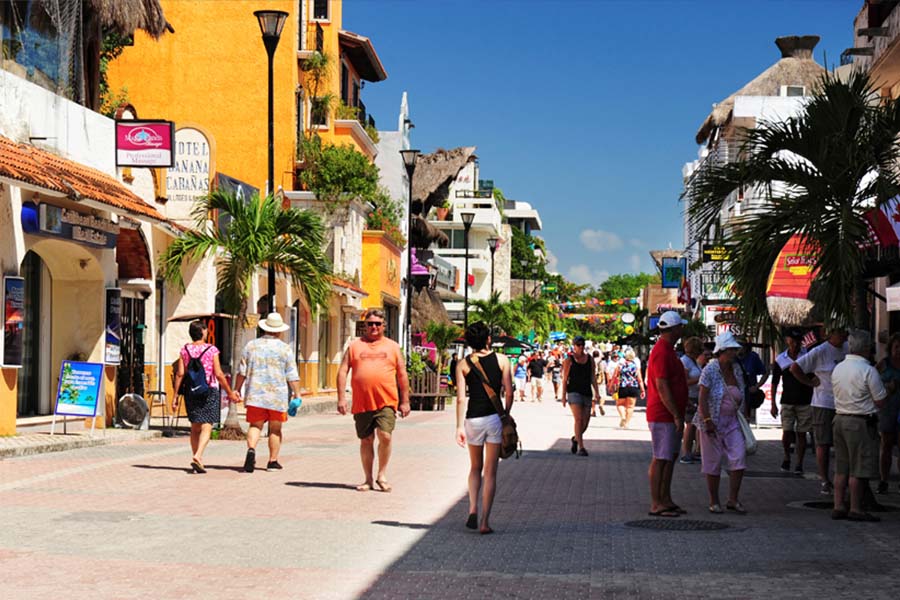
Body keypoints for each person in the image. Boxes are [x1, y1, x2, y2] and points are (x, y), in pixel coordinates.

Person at [337, 309, 411, 492]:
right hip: (362, 402)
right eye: (370, 324)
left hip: (386, 400)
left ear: (384, 325)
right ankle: (368, 479)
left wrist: (405, 401)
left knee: (385, 436)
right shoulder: (354, 346)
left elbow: (402, 374)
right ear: (365, 325)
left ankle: (382, 475)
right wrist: (341, 398)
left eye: (378, 323)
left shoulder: (393, 346)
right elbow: (342, 370)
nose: (374, 327)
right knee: (366, 440)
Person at [455, 321, 514, 534]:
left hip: (473, 420)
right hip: (494, 419)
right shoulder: (502, 360)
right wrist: (506, 413)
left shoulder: (462, 364)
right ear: (488, 339)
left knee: (474, 467)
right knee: (490, 472)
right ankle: (485, 522)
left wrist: (458, 427)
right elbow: (508, 392)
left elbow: (461, 399)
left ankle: (472, 508)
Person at [234, 312, 302, 473]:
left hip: (255, 394)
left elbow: (242, 371)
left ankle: (251, 449)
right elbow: (292, 374)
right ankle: (272, 461)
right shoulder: (285, 349)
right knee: (275, 429)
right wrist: (297, 394)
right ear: (279, 331)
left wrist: (236, 389)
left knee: (255, 426)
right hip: (277, 397)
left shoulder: (251, 346)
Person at [831, 329, 887, 521]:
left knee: (841, 467)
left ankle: (838, 505)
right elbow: (880, 400)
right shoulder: (868, 370)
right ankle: (855, 508)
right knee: (858, 468)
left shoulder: (839, 368)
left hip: (839, 419)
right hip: (860, 421)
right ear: (866, 348)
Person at [172, 319, 240, 474]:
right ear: (202, 332)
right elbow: (219, 374)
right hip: (209, 389)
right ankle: (198, 455)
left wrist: (175, 395)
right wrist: (229, 392)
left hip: (191, 390)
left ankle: (198, 458)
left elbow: (180, 373)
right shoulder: (211, 350)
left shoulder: (185, 350)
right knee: (207, 425)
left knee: (195, 426)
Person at [791, 327, 848, 495]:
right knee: (823, 442)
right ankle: (824, 479)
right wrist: (810, 383)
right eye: (840, 333)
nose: (843, 336)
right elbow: (795, 368)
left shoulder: (847, 348)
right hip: (824, 402)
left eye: (845, 333)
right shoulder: (820, 351)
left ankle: (841, 477)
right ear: (831, 334)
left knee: (841, 443)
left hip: (844, 402)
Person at [696, 332, 748, 514]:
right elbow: (702, 397)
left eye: (735, 349)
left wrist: (744, 414)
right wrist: (707, 419)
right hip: (712, 421)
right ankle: (714, 500)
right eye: (732, 350)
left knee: (739, 456)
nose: (735, 353)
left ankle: (733, 499)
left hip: (732, 421)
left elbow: (742, 392)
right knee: (713, 461)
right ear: (723, 351)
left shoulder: (737, 369)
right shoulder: (710, 369)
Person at [646, 311, 689, 518]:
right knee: (661, 458)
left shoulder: (667, 350)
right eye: (681, 326)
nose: (683, 330)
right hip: (663, 415)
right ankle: (656, 503)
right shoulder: (662, 351)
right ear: (674, 329)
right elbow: (662, 386)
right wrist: (675, 414)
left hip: (670, 414)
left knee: (669, 457)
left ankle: (665, 498)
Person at [770, 328, 813, 475]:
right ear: (787, 341)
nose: (795, 344)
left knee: (802, 433)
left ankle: (799, 463)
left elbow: (814, 377)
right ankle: (787, 456)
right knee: (787, 431)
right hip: (787, 400)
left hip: (805, 401)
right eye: (792, 341)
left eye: (797, 341)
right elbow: (774, 382)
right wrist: (773, 404)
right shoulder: (781, 359)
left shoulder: (807, 356)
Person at [561, 336, 600, 456]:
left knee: (586, 422)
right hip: (573, 391)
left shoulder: (590, 359)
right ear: (574, 346)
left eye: (582, 345)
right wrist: (563, 395)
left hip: (587, 391)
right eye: (578, 345)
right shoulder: (569, 360)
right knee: (578, 419)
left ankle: (575, 438)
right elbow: (565, 378)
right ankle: (581, 447)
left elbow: (593, 376)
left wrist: (597, 392)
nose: (581, 347)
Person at [876, 333, 900, 494]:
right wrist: (887, 386)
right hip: (887, 408)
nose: (899, 350)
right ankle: (883, 480)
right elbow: (872, 382)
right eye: (896, 346)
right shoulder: (884, 364)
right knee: (886, 445)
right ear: (891, 347)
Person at [679, 336, 704, 464]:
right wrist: (700, 379)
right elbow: (683, 381)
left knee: (694, 425)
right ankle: (686, 452)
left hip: (696, 395)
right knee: (690, 424)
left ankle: (693, 451)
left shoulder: (694, 362)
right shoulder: (685, 362)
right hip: (689, 396)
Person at [615, 349, 645, 429]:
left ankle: (623, 417)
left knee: (619, 404)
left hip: (623, 386)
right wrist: (642, 390)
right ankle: (627, 423)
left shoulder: (621, 365)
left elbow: (616, 376)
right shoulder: (635, 367)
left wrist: (611, 386)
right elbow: (640, 379)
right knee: (630, 406)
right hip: (633, 387)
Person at [591, 350, 607, 417]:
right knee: (603, 395)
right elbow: (605, 371)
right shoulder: (602, 362)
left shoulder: (590, 361)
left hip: (592, 379)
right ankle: (601, 405)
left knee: (593, 397)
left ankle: (593, 411)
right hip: (601, 379)